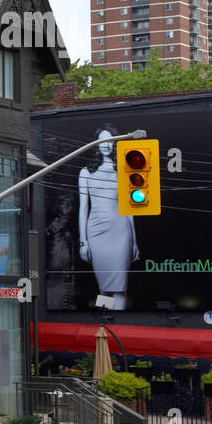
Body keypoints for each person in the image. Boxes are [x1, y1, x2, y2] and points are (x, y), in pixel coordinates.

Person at [78, 126, 138, 310]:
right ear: (96, 145)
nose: (106, 146)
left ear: (115, 144)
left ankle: (119, 326)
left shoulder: (123, 171)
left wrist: (134, 242)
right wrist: (83, 242)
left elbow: (128, 209)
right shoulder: (85, 172)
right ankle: (104, 324)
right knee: (104, 288)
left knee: (120, 288)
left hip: (121, 232)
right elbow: (83, 208)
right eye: (102, 141)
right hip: (96, 232)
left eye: (110, 141)